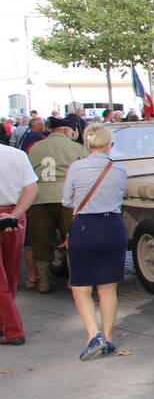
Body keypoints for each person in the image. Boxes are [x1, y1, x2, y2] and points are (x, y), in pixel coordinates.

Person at [61, 124, 129, 361]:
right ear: (110, 143)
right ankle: (108, 338)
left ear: (87, 144)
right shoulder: (119, 169)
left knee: (81, 287)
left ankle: (93, 334)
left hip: (84, 228)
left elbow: (65, 201)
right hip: (112, 226)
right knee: (108, 287)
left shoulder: (76, 167)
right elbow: (121, 195)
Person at [26, 117, 87, 292]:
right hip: (67, 198)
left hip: (39, 198)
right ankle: (74, 281)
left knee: (41, 240)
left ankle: (43, 282)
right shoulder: (76, 147)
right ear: (68, 131)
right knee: (72, 239)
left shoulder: (35, 147)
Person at [0, 140, 40, 345]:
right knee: (10, 272)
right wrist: (14, 215)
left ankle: (13, 329)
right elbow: (32, 189)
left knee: (2, 280)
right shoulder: (17, 155)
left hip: (11, 214)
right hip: (16, 215)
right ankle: (5, 324)